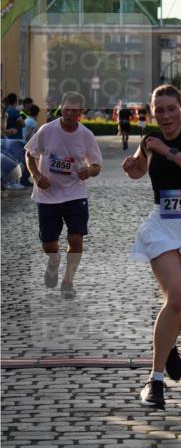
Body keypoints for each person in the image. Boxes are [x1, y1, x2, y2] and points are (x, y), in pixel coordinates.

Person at [122, 84, 181, 410]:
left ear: (180, 107)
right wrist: (133, 166)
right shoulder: (149, 139)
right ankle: (155, 380)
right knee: (175, 298)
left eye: (170, 109)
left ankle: (169, 342)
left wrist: (169, 152)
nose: (164, 115)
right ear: (152, 112)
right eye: (158, 110)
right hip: (162, 225)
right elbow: (139, 171)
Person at [24, 92, 103, 298]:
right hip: (48, 194)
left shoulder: (86, 135)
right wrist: (36, 175)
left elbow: (96, 165)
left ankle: (68, 280)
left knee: (76, 237)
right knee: (49, 244)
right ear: (61, 108)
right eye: (66, 109)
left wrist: (89, 170)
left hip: (75, 193)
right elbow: (29, 154)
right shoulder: (47, 130)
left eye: (74, 111)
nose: (69, 114)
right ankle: (53, 261)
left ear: (81, 112)